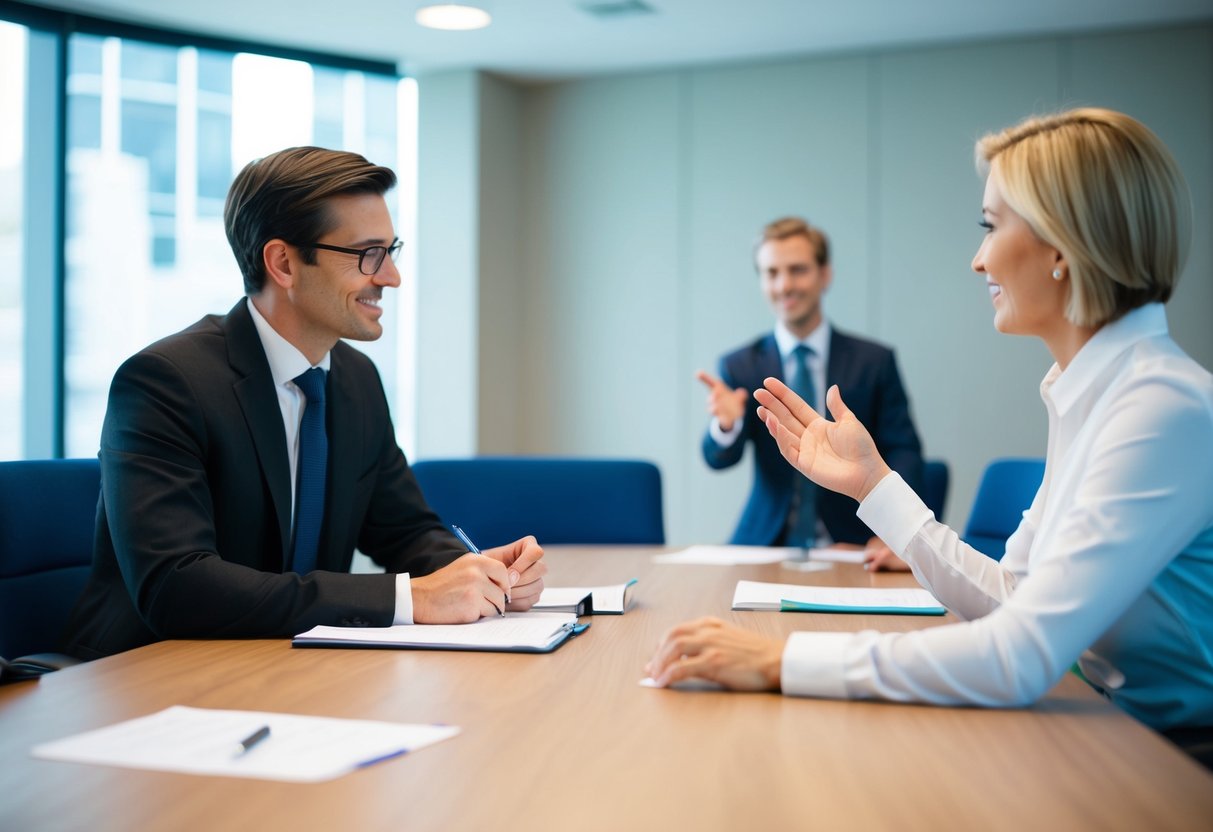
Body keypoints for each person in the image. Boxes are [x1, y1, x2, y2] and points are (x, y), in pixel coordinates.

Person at [648, 108, 1213, 734]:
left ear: (1062, 244)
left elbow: (1020, 652)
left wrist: (784, 658)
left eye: (990, 225)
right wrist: (872, 485)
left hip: (1170, 760)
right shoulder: (1095, 393)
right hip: (1107, 727)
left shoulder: (1162, 410)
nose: (978, 260)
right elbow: (1012, 597)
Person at [63, 147, 546, 660]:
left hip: (289, 667)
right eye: (368, 254)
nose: (390, 277)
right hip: (148, 678)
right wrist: (409, 598)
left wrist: (475, 575)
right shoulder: (166, 382)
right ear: (284, 263)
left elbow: (405, 530)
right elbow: (177, 587)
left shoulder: (356, 380)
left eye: (391, 250)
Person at [696, 217, 924, 565]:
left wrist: (889, 530)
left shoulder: (874, 361)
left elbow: (904, 450)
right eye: (771, 273)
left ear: (824, 275)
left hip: (853, 543)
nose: (784, 285)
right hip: (765, 544)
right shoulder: (741, 365)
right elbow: (717, 458)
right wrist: (727, 426)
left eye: (797, 270)